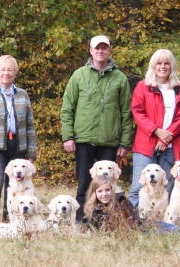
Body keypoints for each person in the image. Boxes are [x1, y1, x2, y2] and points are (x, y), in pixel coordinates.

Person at [60, 35, 133, 220]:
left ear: (109, 51)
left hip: (109, 141)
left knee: (107, 186)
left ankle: (106, 221)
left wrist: (124, 143)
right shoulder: (79, 75)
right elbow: (67, 108)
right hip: (83, 139)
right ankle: (81, 222)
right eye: (97, 48)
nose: (100, 51)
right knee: (85, 183)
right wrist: (68, 136)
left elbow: (126, 113)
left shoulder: (120, 78)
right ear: (91, 51)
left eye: (104, 48)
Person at [0, 55, 37, 223]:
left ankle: (12, 219)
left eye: (10, 69)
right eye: (2, 69)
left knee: (17, 186)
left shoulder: (23, 95)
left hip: (18, 147)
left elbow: (30, 125)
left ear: (15, 72)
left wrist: (31, 152)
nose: (6, 73)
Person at [127, 49, 180, 205]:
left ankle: (163, 226)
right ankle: (132, 223)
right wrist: (157, 131)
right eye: (159, 63)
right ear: (153, 66)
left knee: (166, 187)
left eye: (166, 63)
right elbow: (137, 112)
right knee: (138, 187)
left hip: (172, 144)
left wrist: (166, 137)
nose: (163, 67)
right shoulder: (143, 87)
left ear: (172, 66)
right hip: (146, 144)